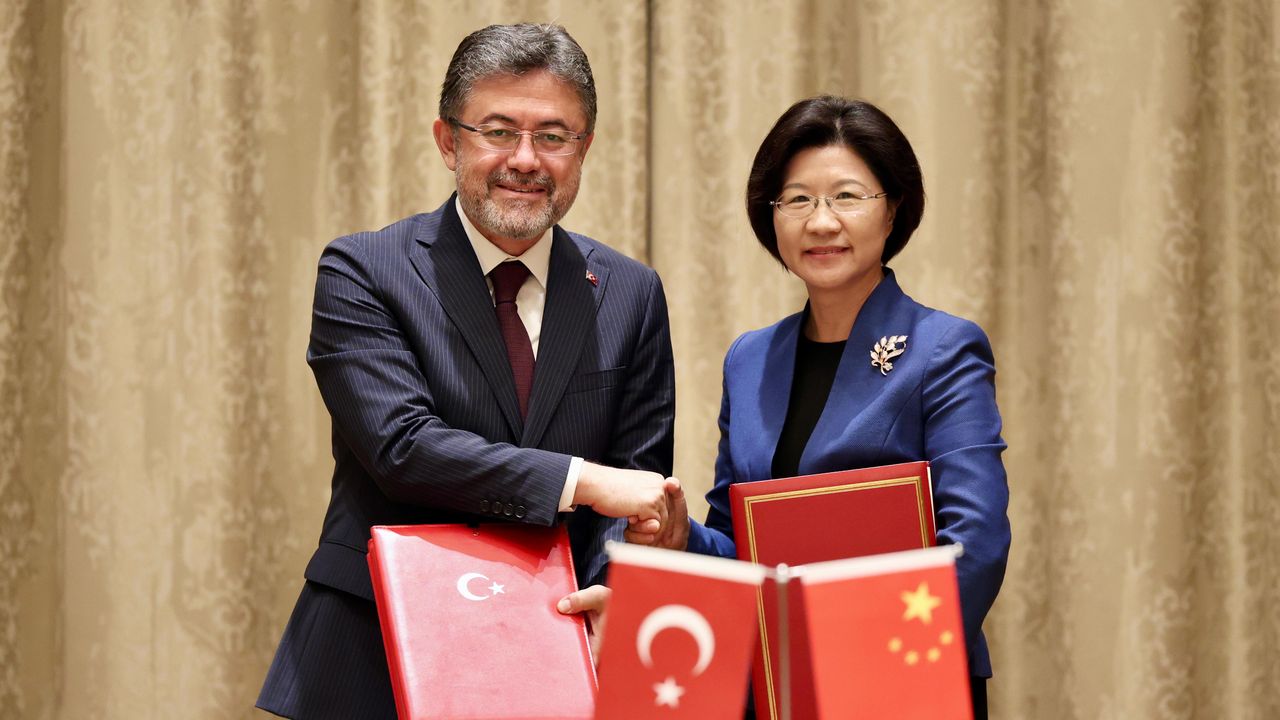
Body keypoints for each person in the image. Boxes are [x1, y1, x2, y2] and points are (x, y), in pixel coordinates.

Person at [257, 23, 678, 720]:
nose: (525, 159)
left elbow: (636, 479)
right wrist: (580, 480)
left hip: (560, 656)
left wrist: (614, 581)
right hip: (374, 659)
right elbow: (403, 448)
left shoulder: (630, 292)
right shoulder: (365, 271)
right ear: (448, 141)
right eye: (498, 131)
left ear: (584, 149)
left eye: (553, 136)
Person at [628, 96, 1011, 719]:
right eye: (798, 200)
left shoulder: (943, 349)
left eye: (847, 197)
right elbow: (739, 543)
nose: (822, 222)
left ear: (893, 209)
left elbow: (976, 540)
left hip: (905, 683)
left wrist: (874, 676)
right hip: (778, 686)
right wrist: (683, 538)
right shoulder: (749, 359)